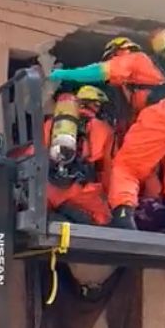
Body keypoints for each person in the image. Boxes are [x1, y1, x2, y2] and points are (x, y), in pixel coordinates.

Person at [49, 36, 165, 237]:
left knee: (127, 167)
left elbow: (97, 72)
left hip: (162, 113)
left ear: (116, 52)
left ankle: (123, 219)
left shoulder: (134, 60)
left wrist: (60, 74)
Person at [43, 85, 116, 225]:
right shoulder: (103, 129)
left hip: (48, 185)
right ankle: (66, 210)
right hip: (80, 190)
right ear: (96, 105)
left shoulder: (51, 123)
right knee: (103, 220)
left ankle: (57, 212)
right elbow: (108, 168)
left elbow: (38, 150)